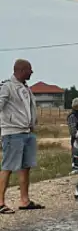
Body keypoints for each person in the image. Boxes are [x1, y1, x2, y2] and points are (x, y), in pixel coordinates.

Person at [0, 59, 43, 213]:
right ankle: (0, 202)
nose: (32, 72)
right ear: (22, 70)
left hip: (27, 132)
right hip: (12, 133)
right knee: (8, 167)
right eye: (29, 69)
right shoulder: (7, 87)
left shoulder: (26, 88)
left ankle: (24, 201)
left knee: (25, 167)